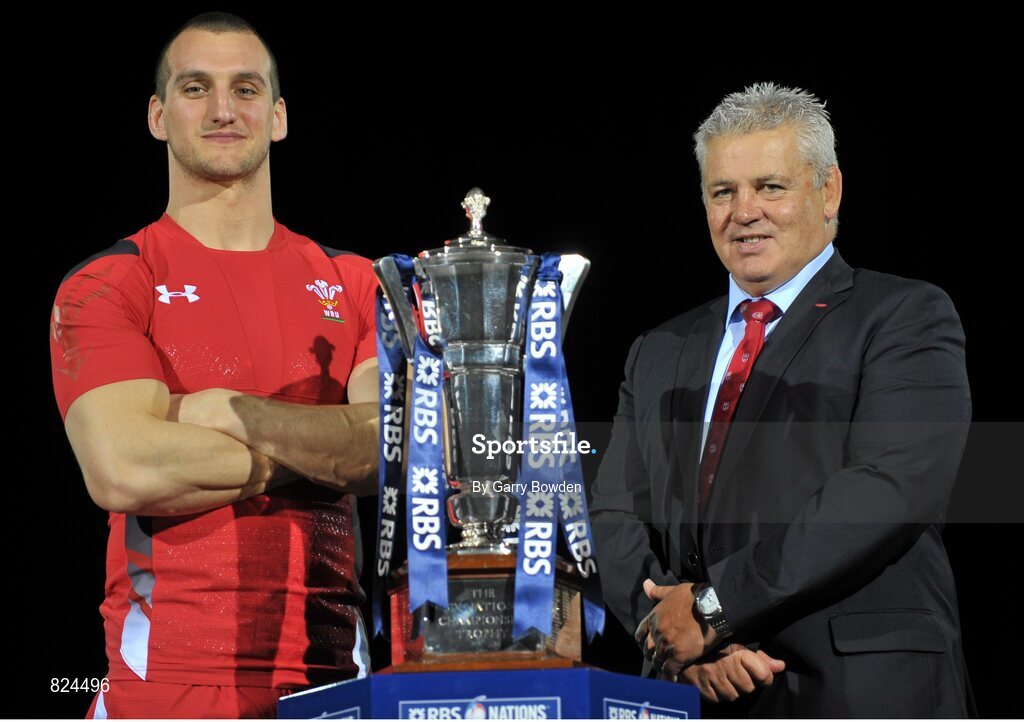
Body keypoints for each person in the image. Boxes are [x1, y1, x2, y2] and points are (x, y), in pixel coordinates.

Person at [589, 82, 973, 717]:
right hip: (701, 692)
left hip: (858, 688)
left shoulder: (905, 316)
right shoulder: (658, 349)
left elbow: (888, 488)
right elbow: (613, 516)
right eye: (723, 191)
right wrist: (675, 635)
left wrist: (714, 609)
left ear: (829, 192)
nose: (744, 211)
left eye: (770, 186)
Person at [49, 12, 379, 719]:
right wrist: (323, 441)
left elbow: (390, 446)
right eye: (196, 88)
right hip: (161, 692)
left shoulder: (355, 283)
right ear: (158, 115)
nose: (224, 109)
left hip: (332, 686)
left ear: (280, 116)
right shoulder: (112, 282)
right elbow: (124, 470)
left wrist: (218, 408)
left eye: (247, 89)